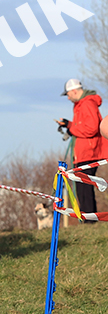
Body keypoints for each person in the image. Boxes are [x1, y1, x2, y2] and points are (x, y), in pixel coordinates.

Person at [57, 79, 105, 217]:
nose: (68, 97)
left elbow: (91, 128)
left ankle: (89, 219)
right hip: (85, 153)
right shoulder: (82, 104)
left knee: (85, 188)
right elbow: (83, 126)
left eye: (68, 94)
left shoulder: (87, 104)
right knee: (82, 188)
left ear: (74, 91)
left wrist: (72, 129)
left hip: (89, 153)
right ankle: (87, 218)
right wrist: (69, 124)